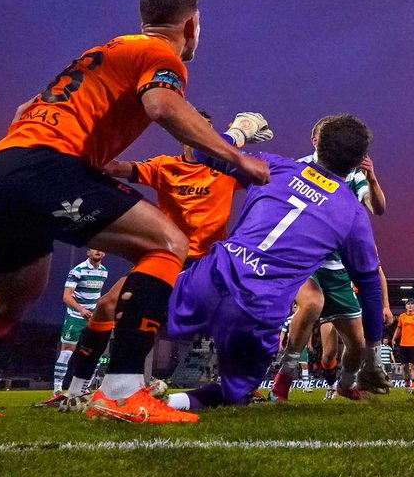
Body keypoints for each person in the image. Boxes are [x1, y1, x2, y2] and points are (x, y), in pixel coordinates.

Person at [0, 0, 269, 423]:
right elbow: (163, 107)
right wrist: (237, 155)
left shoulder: (100, 53)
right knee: (167, 243)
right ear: (192, 25)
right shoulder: (162, 56)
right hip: (42, 169)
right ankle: (124, 392)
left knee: (14, 299)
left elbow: (24, 108)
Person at [163, 115, 386, 413]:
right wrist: (373, 357)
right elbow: (371, 287)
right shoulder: (352, 215)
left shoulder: (277, 165)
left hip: (210, 275)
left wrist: (239, 132)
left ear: (319, 145)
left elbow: (200, 152)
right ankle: (164, 400)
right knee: (235, 394)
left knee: (129, 303)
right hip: (256, 307)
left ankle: (112, 383)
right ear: (360, 159)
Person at [47, 108, 265, 407]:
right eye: (196, 129)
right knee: (106, 306)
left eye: (208, 131)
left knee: (242, 316)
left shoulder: (227, 170)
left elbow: (268, 177)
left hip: (208, 264)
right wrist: (78, 155)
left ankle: (246, 387)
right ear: (183, 135)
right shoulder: (164, 167)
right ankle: (74, 392)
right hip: (168, 258)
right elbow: (117, 168)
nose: (204, 136)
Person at [270, 117, 392, 401]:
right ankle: (283, 380)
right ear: (316, 141)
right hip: (305, 260)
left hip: (338, 269)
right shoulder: (298, 168)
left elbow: (378, 208)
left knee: (357, 344)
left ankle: (345, 383)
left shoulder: (352, 173)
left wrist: (371, 176)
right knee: (312, 303)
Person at [49, 249, 108, 397]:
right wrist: (81, 309)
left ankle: (85, 387)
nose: (98, 251)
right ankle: (57, 389)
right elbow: (67, 296)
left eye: (101, 249)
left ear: (104, 254)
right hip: (75, 316)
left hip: (92, 318)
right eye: (94, 248)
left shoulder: (104, 272)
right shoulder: (77, 270)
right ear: (88, 252)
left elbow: (97, 295)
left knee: (95, 352)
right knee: (67, 351)